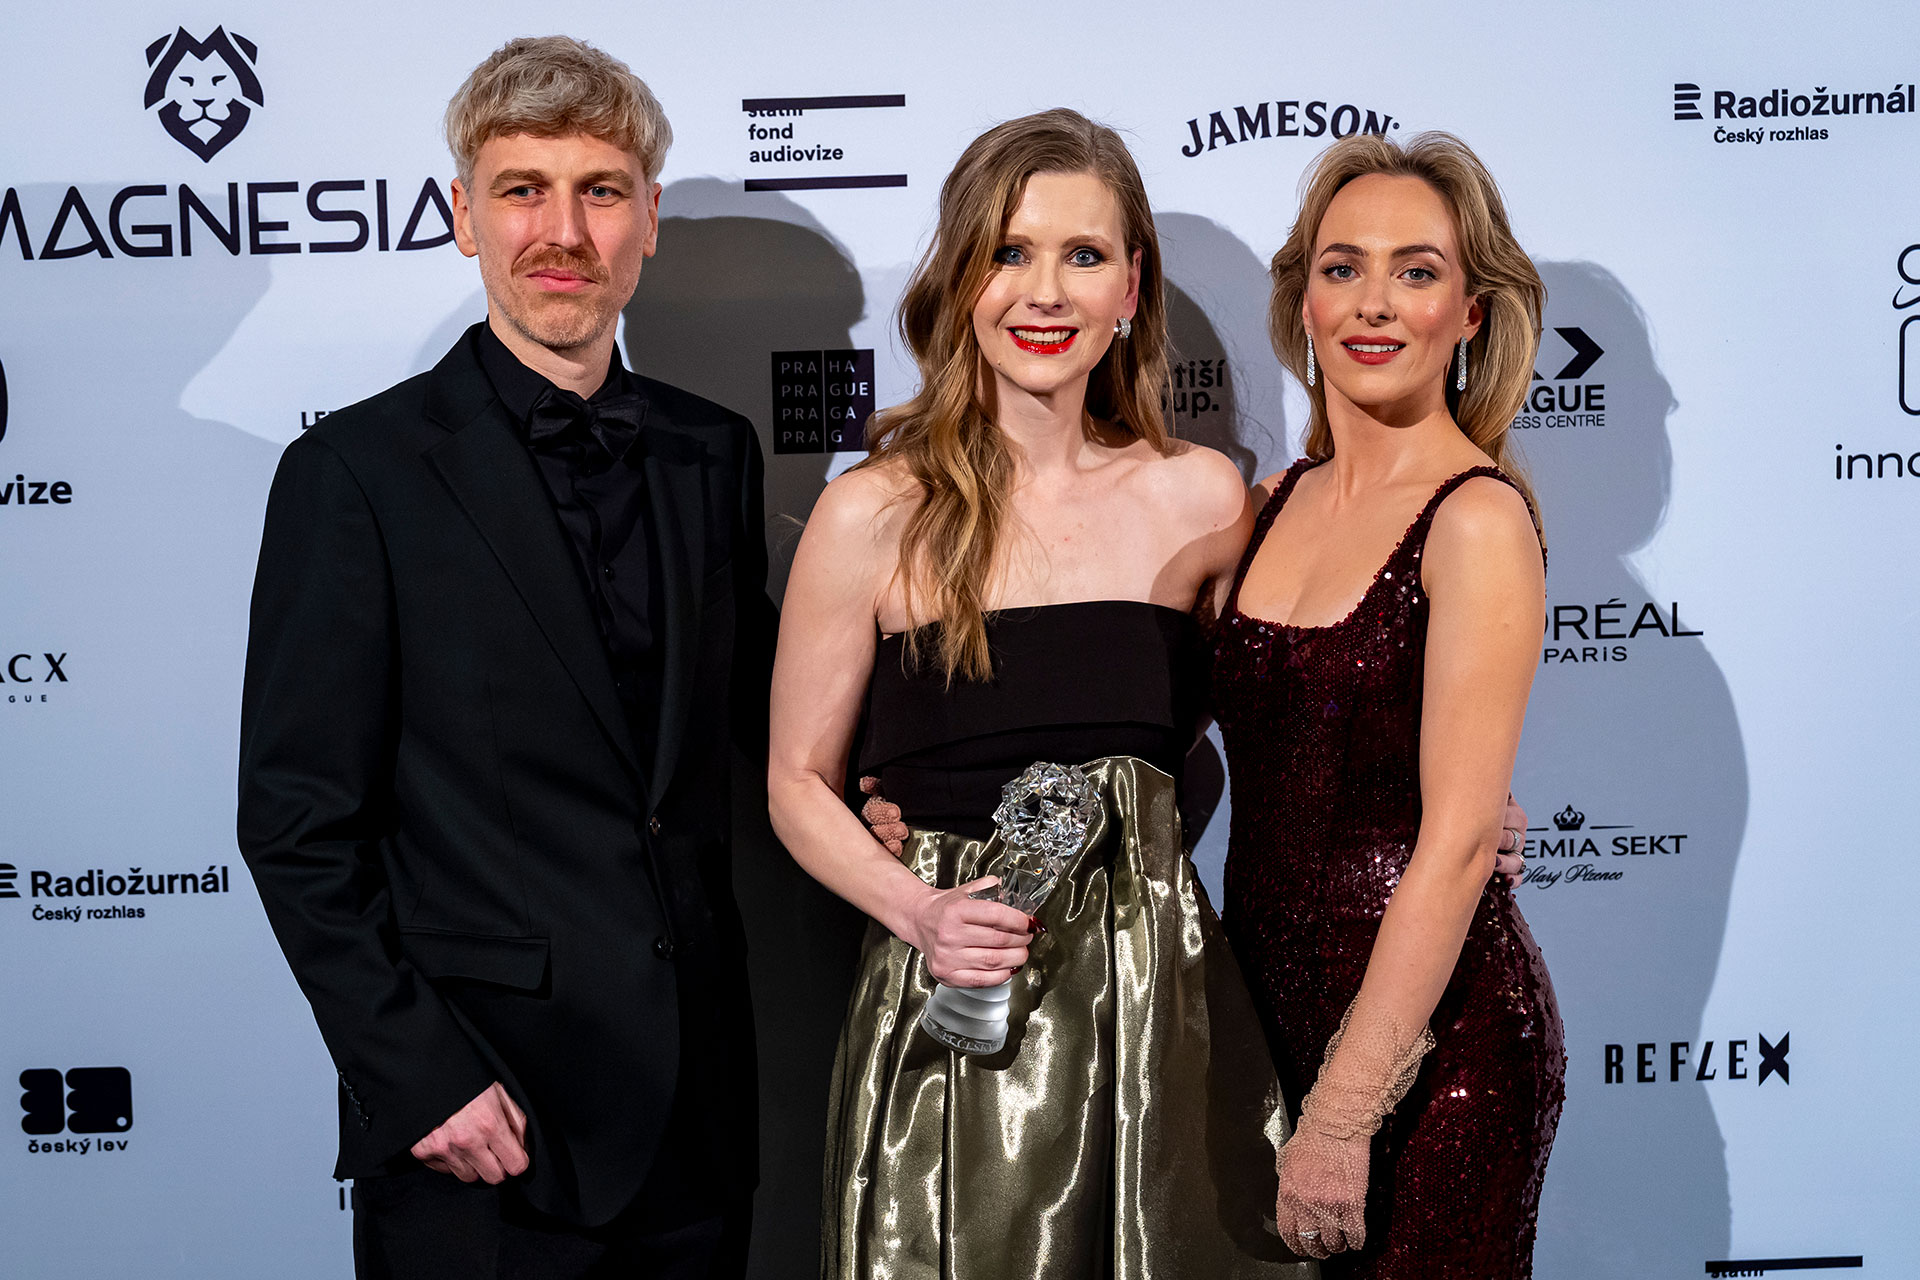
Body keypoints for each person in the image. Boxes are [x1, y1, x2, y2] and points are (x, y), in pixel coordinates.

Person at [236, 36, 772, 1279]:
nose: (562, 231)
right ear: (464, 216)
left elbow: (758, 725)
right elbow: (297, 823)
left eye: (600, 190)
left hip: (695, 1121)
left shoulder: (713, 453)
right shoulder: (354, 475)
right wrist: (416, 1074)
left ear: (649, 220)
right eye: (523, 189)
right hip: (483, 1122)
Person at [767, 110, 1311, 1278]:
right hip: (961, 1003)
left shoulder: (1204, 498)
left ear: (1131, 287)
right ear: (962, 279)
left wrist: (1447, 807)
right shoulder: (873, 512)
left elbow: (1287, 726)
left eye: (1084, 254)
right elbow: (798, 781)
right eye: (1009, 252)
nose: (1045, 292)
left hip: (1157, 1008)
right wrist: (918, 909)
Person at [1212, 132, 1565, 1276]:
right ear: (1304, 302)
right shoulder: (1267, 503)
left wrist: (1341, 1113)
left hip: (1436, 1056)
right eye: (1342, 266)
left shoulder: (1477, 518)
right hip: (1263, 1032)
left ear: (1469, 314)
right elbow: (1146, 727)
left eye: (1417, 271)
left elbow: (1457, 844)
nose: (1374, 302)